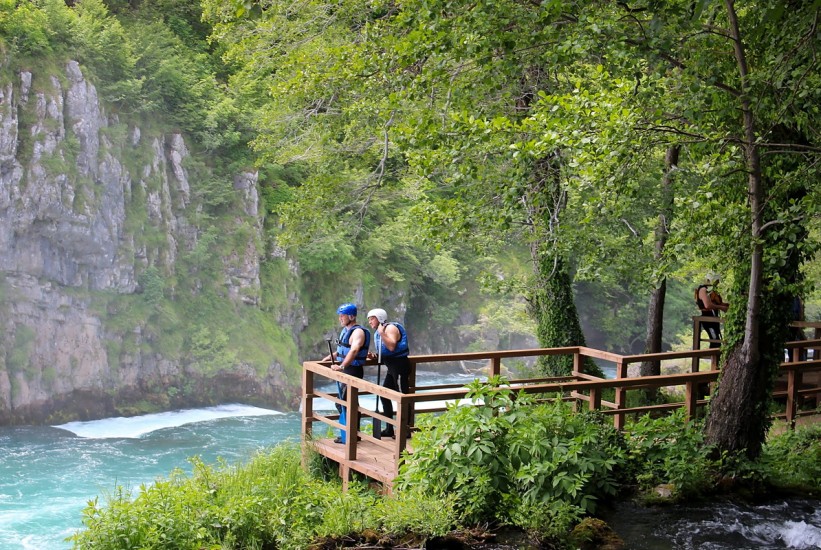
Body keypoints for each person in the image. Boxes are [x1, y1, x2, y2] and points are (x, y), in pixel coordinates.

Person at [322, 303, 370, 444]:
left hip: (352, 371)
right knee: (345, 402)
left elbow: (354, 350)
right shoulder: (346, 330)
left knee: (346, 403)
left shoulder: (358, 332)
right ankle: (350, 433)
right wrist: (332, 356)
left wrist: (341, 366)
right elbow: (344, 348)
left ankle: (352, 435)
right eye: (340, 316)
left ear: (351, 316)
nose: (340, 318)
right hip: (347, 369)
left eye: (342, 316)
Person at [366, 308, 410, 438]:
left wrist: (381, 333)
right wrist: (375, 356)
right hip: (392, 369)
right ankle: (389, 428)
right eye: (369, 319)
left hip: (400, 367)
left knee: (402, 398)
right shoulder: (380, 332)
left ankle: (404, 430)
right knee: (384, 394)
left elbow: (391, 346)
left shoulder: (390, 329)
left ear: (379, 318)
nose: (370, 322)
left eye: (372, 318)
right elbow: (386, 351)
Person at [695, 273, 729, 348]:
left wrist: (728, 306)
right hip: (708, 319)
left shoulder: (713, 291)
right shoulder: (703, 290)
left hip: (714, 319)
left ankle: (715, 359)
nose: (718, 283)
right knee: (715, 341)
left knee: (717, 340)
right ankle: (713, 358)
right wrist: (721, 307)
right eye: (716, 281)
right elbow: (708, 305)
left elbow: (719, 303)